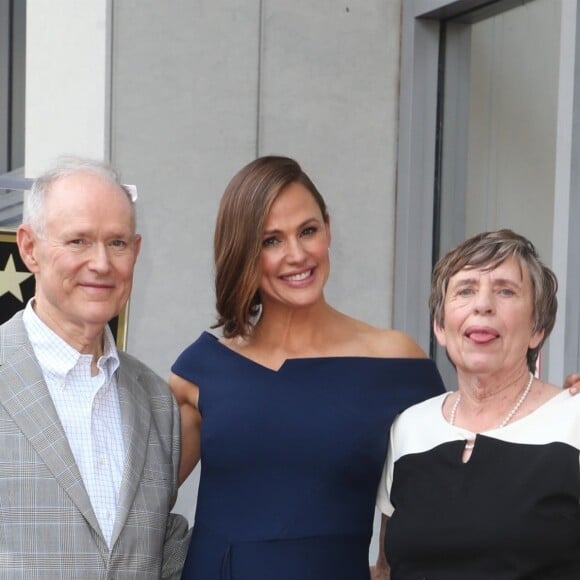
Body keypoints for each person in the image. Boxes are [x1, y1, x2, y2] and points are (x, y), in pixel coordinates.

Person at [169, 155, 445, 579]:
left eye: (308, 231)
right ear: (244, 251)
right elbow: (132, 507)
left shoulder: (396, 363)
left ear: (328, 229)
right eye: (271, 241)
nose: (296, 255)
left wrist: (562, 405)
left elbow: (441, 501)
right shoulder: (204, 369)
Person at [1, 157, 190, 578]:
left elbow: (160, 551)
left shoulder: (157, 402)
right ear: (29, 248)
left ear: (135, 252)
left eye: (117, 243)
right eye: (79, 241)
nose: (102, 263)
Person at [375, 229, 580, 579]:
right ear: (440, 326)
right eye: (465, 290)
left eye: (505, 290)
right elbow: (386, 569)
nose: (482, 304)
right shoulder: (409, 428)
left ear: (537, 328)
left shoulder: (572, 420)